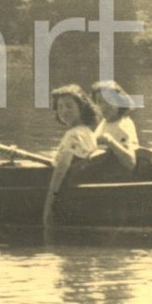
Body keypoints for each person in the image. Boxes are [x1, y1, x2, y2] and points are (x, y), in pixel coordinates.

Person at [42, 84, 100, 226]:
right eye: (60, 107)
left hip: (66, 191)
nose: (64, 111)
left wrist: (48, 204)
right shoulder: (87, 131)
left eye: (69, 106)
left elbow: (61, 169)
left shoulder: (73, 134)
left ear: (81, 108)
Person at [90, 80, 152, 180]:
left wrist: (109, 141)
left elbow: (131, 162)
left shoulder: (123, 125)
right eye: (99, 102)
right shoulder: (105, 122)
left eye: (109, 101)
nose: (103, 106)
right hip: (103, 174)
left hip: (119, 179)